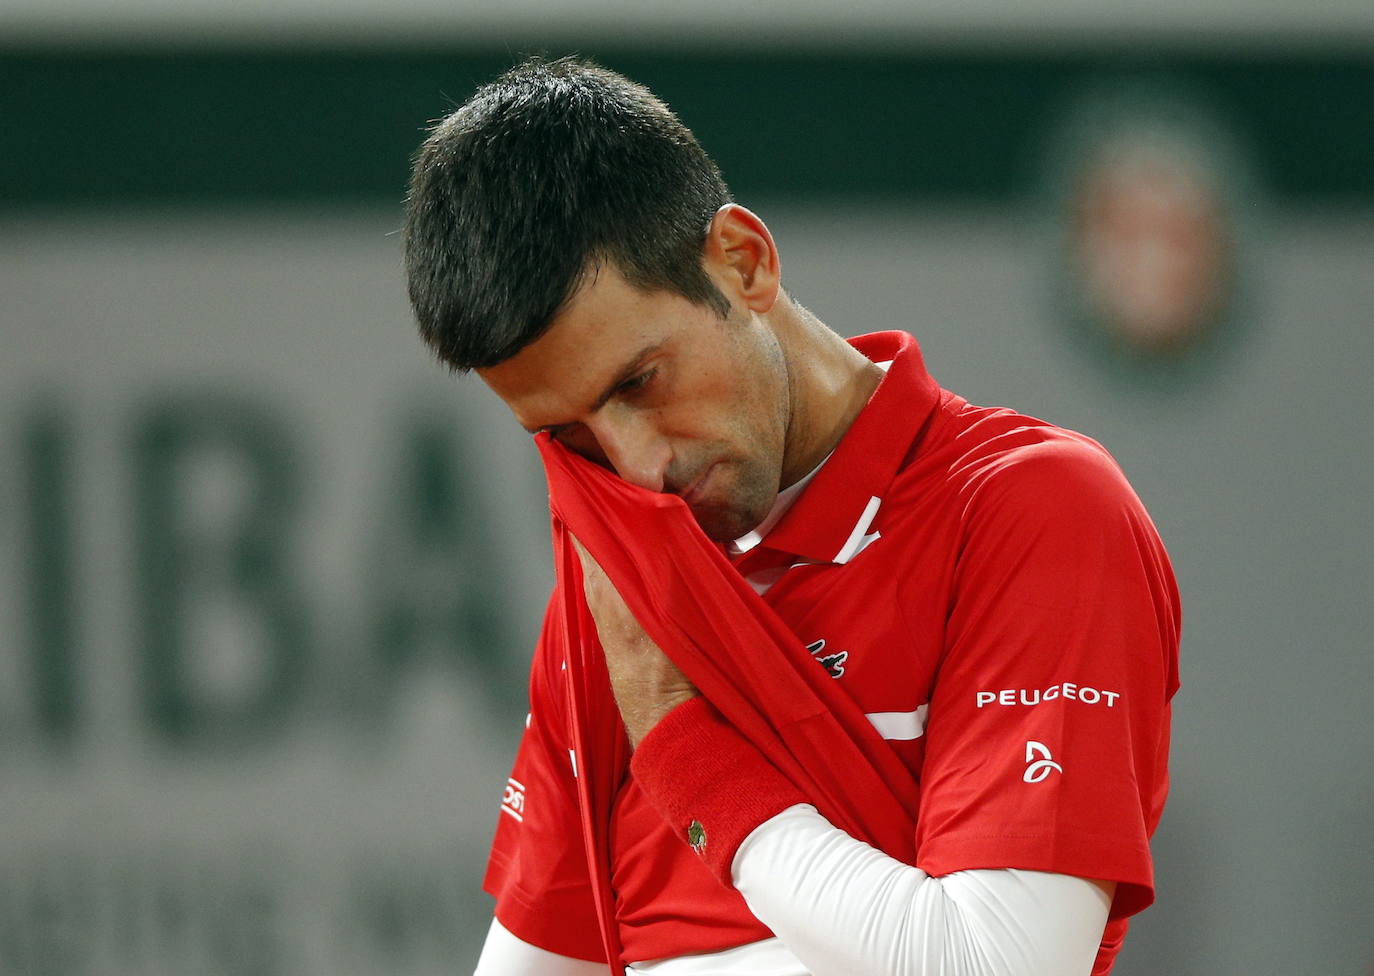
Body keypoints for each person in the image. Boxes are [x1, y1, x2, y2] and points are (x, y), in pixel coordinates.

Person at [403, 57, 1180, 976]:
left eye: (640, 382)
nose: (639, 468)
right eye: (567, 433)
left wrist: (677, 743)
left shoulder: (1030, 507)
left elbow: (994, 964)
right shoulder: (620, 579)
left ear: (744, 261)